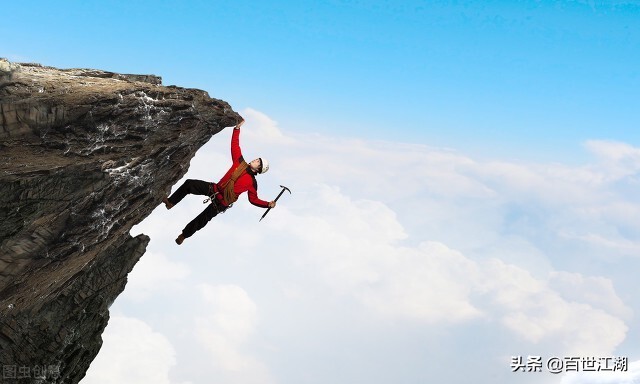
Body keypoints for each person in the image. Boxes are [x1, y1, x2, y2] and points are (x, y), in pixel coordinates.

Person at [163, 118, 275, 245]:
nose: (255, 160)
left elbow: (253, 199)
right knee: (190, 184)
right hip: (215, 189)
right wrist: (237, 129)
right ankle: (171, 202)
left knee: (202, 219)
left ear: (258, 169)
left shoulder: (252, 183)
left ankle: (184, 235)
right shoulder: (240, 162)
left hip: (222, 203)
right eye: (257, 159)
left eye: (258, 162)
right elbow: (235, 145)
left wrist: (267, 204)